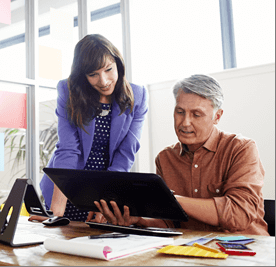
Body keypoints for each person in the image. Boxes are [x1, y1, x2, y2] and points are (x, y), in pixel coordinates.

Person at [91, 74, 269, 236]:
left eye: (196, 114)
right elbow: (169, 221)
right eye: (180, 112)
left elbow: (238, 214)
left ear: (217, 117)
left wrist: (172, 200)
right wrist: (139, 220)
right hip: (190, 251)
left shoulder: (242, 149)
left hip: (246, 250)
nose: (185, 122)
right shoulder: (165, 158)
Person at [29, 34, 148, 223]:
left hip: (105, 192)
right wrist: (56, 211)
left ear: (118, 64)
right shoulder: (68, 91)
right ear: (83, 75)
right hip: (65, 191)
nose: (103, 80)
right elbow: (68, 149)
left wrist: (106, 201)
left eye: (109, 69)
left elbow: (125, 155)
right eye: (93, 74)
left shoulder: (138, 96)